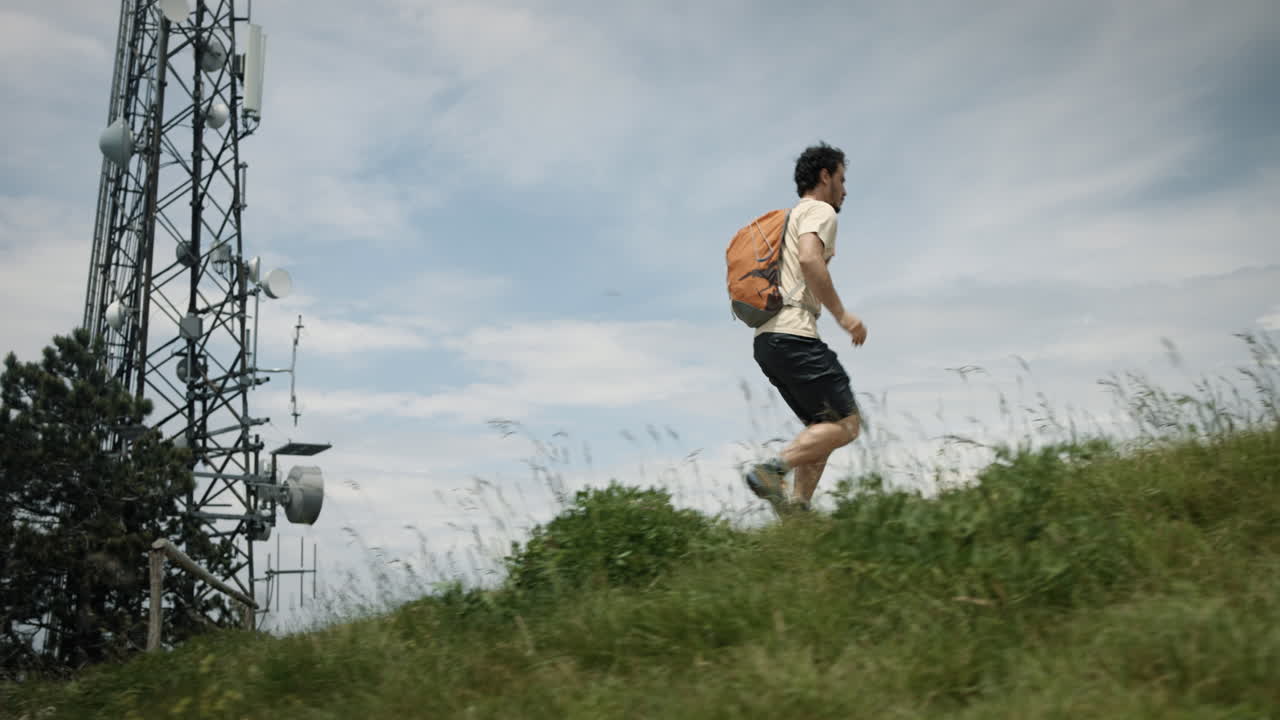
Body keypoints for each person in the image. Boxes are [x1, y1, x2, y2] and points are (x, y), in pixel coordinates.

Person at [744, 142, 867, 514]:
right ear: (825, 176)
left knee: (822, 428)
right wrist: (843, 316)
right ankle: (771, 470)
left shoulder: (788, 220)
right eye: (842, 179)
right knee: (848, 425)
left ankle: (797, 511)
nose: (845, 190)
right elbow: (810, 260)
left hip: (768, 340)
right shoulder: (819, 211)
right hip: (794, 333)